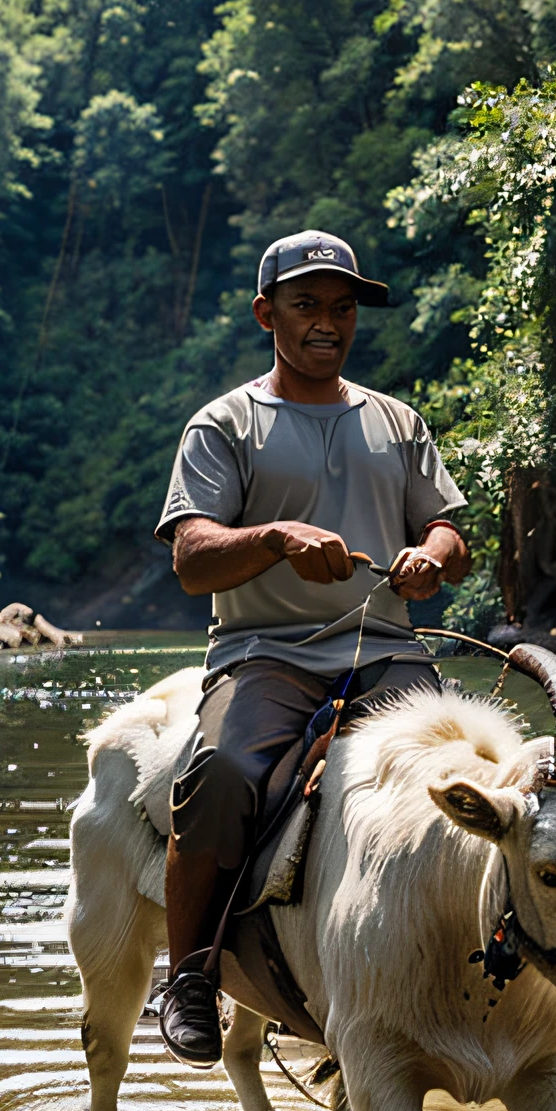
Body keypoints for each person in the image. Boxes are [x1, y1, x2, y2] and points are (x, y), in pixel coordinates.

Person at [155, 228, 471, 1065]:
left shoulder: (398, 421)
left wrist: (429, 559)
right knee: (221, 775)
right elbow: (191, 558)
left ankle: (481, 963)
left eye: (341, 307)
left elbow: (448, 531)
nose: (327, 322)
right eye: (306, 306)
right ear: (268, 314)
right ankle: (188, 974)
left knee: (481, 786)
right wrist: (277, 538)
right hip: (268, 653)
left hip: (392, 652)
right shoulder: (224, 423)